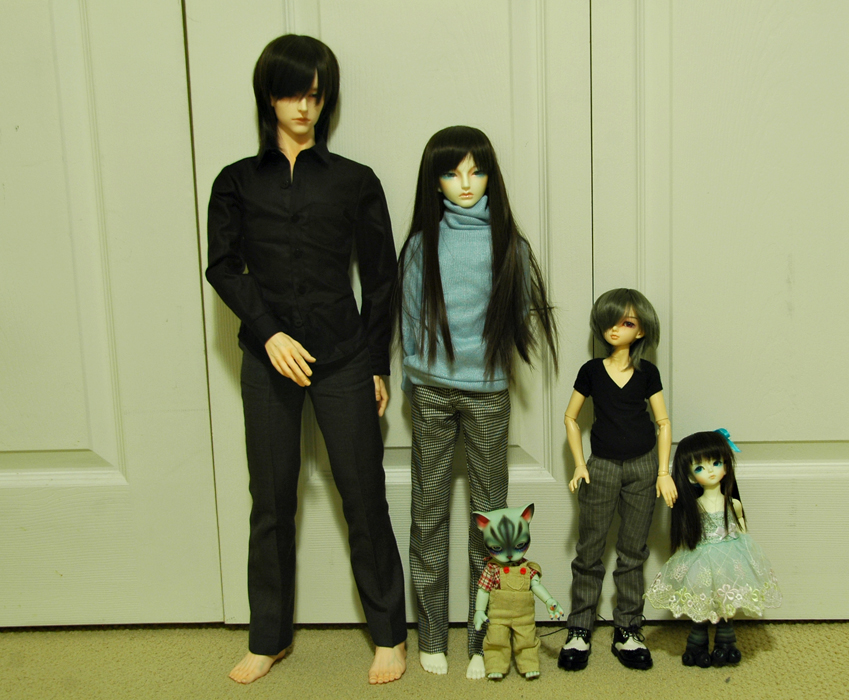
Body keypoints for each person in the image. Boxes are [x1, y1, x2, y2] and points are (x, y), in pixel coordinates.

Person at [206, 34, 406, 685]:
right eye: (293, 93)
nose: (304, 107)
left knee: (363, 495)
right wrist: (267, 333)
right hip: (268, 360)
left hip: (344, 356)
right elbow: (223, 266)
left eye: (316, 95)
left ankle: (388, 635)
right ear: (269, 96)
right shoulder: (235, 182)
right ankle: (269, 638)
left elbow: (381, 277)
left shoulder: (355, 180)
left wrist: (376, 362)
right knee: (270, 501)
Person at [395, 125, 558, 678]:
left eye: (476, 171)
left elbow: (521, 315)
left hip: (488, 394)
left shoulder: (511, 245)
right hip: (431, 391)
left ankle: (483, 640)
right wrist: (415, 383)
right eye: (451, 172)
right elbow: (410, 320)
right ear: (434, 181)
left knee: (490, 519)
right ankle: (432, 636)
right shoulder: (420, 246)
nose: (465, 183)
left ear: (491, 176)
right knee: (429, 514)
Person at [559, 288, 676, 672]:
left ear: (640, 331)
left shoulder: (647, 373)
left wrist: (663, 472)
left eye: (626, 323)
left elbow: (663, 422)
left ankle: (628, 627)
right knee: (589, 551)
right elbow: (570, 417)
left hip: (643, 467)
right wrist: (580, 464)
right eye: (610, 321)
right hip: (601, 468)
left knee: (632, 552)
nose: (616, 329)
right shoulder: (592, 371)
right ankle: (579, 627)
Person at [644, 430, 781, 667]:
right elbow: (688, 535)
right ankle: (696, 645)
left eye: (716, 463)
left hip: (731, 557)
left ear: (726, 465)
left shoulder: (732, 503)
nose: (710, 471)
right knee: (701, 605)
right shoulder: (695, 507)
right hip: (702, 559)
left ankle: (726, 643)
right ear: (690, 477)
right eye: (700, 468)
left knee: (726, 606)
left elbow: (742, 530)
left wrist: (750, 555)